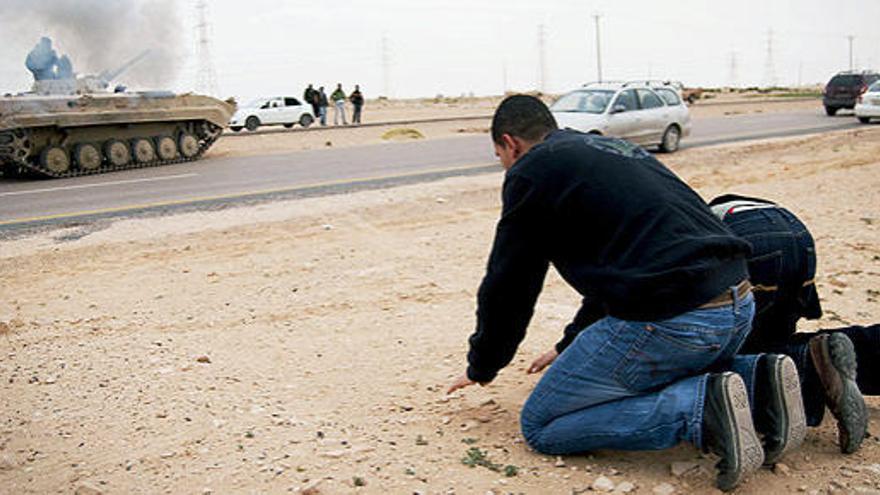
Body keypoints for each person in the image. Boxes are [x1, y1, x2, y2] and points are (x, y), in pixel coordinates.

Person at [447, 95, 805, 491]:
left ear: (510, 143)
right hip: (737, 304)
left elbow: (511, 281)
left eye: (500, 156)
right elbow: (623, 266)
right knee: (636, 366)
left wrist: (484, 364)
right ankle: (761, 379)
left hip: (676, 319)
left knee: (542, 424)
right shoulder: (609, 149)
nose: (505, 167)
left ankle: (702, 409)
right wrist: (570, 343)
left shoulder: (532, 170)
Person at [709, 194, 872, 454]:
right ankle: (832, 354)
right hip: (795, 231)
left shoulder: (699, 224)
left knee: (724, 357)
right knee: (774, 341)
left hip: (746, 241)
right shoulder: (716, 207)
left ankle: (804, 364)